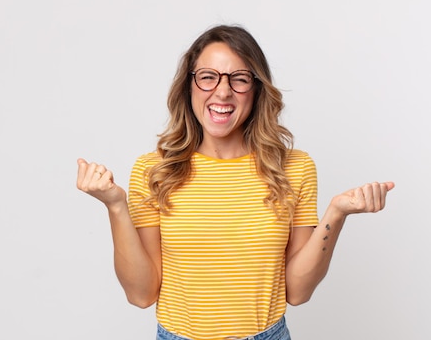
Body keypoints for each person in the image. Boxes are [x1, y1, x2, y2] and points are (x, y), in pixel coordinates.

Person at [76, 24, 394, 340]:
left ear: (256, 90)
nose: (223, 91)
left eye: (239, 79)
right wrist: (116, 206)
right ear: (189, 86)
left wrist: (336, 214)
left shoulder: (294, 168)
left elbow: (298, 292)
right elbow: (140, 294)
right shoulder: (155, 170)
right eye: (208, 76)